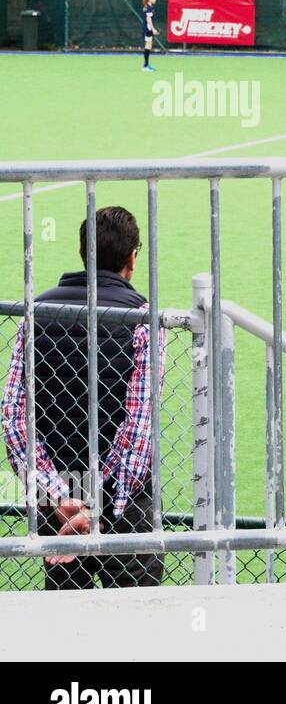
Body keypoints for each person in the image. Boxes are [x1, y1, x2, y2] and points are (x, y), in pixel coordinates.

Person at [0, 207, 167, 590]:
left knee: (65, 619)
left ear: (82, 252)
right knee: (136, 619)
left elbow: (14, 419)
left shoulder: (35, 313)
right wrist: (104, 505)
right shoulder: (142, 319)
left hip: (59, 499)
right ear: (133, 258)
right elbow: (139, 428)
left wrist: (61, 497)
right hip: (124, 506)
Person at [141, 0, 158, 73]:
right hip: (148, 29)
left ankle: (147, 64)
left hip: (147, 29)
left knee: (149, 46)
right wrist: (153, 29)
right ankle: (145, 66)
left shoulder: (148, 6)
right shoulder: (148, 7)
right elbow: (148, 19)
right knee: (148, 46)